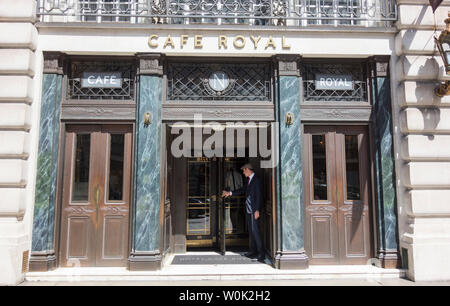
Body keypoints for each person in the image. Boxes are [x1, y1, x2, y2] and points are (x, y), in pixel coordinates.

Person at [222, 163, 264, 263]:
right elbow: (242, 190)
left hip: (254, 211)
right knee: (251, 232)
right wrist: (230, 193)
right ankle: (253, 251)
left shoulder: (256, 180)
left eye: (244, 171)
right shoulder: (249, 180)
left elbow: (259, 196)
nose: (243, 172)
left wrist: (257, 210)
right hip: (249, 210)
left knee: (256, 232)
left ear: (248, 169)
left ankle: (261, 254)